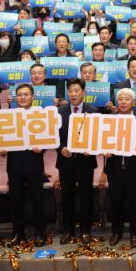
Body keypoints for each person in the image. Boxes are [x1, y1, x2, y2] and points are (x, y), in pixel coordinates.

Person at [105, 88, 136, 248]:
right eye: (120, 99)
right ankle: (117, 232)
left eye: (127, 99)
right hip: (114, 168)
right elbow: (103, 140)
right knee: (115, 201)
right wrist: (104, 150)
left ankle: (135, 233)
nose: (123, 102)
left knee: (135, 202)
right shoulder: (109, 120)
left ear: (134, 102)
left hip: (134, 168)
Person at [57, 79, 99, 245]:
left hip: (85, 161)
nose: (73, 94)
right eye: (70, 91)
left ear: (83, 92)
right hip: (65, 161)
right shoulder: (59, 112)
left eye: (76, 90)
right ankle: (68, 230)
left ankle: (85, 230)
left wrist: (92, 148)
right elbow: (53, 135)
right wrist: (60, 148)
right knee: (67, 196)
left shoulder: (93, 111)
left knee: (85, 196)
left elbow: (98, 136)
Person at [7, 84, 46, 246]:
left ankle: (40, 232)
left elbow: (48, 136)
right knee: (15, 200)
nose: (23, 97)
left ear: (33, 97)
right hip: (14, 163)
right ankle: (18, 233)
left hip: (34, 162)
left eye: (26, 94)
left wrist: (42, 147)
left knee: (38, 199)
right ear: (15, 98)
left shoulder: (40, 115)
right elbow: (1, 137)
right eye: (20, 95)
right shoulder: (7, 116)